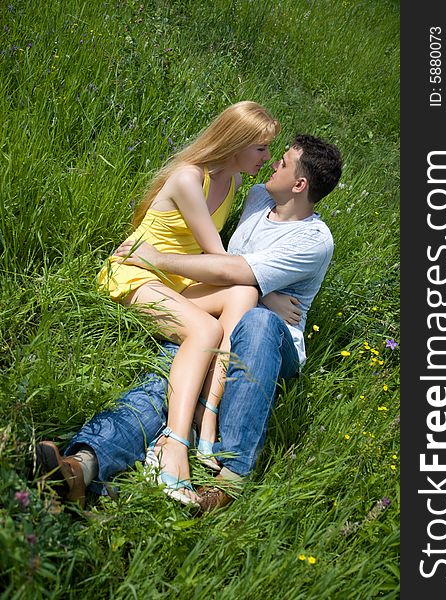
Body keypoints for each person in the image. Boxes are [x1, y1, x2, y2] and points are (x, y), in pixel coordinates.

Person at [34, 134, 343, 512]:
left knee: (259, 321)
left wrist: (157, 260)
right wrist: (259, 289)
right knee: (172, 380)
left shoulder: (315, 239)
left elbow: (238, 269)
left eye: (283, 161)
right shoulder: (256, 198)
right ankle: (81, 467)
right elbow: (225, 262)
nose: (273, 163)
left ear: (299, 185)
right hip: (219, 314)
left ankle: (229, 480)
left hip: (268, 347)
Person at [97, 101, 280, 504]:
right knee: (205, 328)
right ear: (236, 142)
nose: (267, 159)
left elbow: (227, 272)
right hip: (134, 272)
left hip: (175, 283)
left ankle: (207, 410)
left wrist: (268, 293)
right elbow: (217, 261)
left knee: (246, 294)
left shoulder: (231, 184)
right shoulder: (187, 178)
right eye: (261, 148)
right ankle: (174, 443)